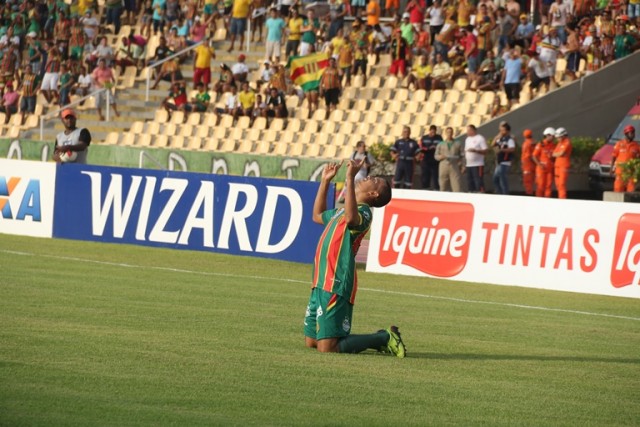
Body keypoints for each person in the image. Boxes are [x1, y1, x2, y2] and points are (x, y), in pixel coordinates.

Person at [303, 159, 405, 357]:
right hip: (321, 279)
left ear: (373, 194)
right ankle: (379, 338)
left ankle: (384, 338)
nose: (367, 177)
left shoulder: (364, 212)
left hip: (336, 280)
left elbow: (351, 219)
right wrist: (325, 182)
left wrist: (349, 177)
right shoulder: (342, 210)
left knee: (328, 347)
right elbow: (317, 215)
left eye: (373, 180)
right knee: (312, 341)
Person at [610, 125, 640, 193]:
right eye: (631, 133)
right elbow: (613, 156)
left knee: (631, 192)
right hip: (620, 173)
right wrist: (611, 168)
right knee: (618, 191)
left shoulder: (636, 146)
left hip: (631, 174)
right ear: (626, 134)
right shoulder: (619, 144)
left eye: (634, 132)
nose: (633, 135)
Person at [434, 127, 464, 192]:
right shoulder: (440, 144)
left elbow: (462, 155)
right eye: (448, 132)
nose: (449, 134)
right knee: (443, 186)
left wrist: (462, 165)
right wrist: (440, 157)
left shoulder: (458, 143)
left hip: (454, 166)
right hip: (443, 165)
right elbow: (436, 155)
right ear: (445, 133)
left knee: (457, 186)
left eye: (451, 132)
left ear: (453, 133)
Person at [491, 121, 516, 194]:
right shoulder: (500, 138)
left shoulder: (510, 139)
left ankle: (505, 194)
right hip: (499, 162)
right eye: (501, 130)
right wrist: (497, 137)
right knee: (495, 179)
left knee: (502, 180)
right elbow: (492, 144)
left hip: (505, 162)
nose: (502, 132)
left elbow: (512, 149)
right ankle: (499, 193)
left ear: (507, 131)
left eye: (503, 130)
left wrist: (502, 150)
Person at [464, 124, 488, 193]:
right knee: (470, 180)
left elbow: (485, 151)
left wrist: (476, 150)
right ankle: (471, 192)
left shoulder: (480, 138)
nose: (467, 132)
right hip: (469, 164)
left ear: (473, 130)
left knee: (478, 180)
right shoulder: (467, 139)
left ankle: (480, 192)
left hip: (478, 164)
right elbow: (465, 151)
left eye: (468, 130)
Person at [533, 127, 556, 198]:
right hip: (541, 169)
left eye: (553, 136)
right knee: (540, 186)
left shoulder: (553, 145)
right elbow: (534, 156)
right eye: (552, 136)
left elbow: (554, 157)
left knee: (548, 186)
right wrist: (539, 164)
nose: (553, 138)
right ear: (547, 135)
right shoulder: (540, 144)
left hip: (549, 169)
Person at [419, 125, 442, 190]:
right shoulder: (424, 138)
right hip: (426, 160)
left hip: (435, 161)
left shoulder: (439, 138)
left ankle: (436, 189)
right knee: (425, 177)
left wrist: (436, 148)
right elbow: (420, 147)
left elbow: (442, 147)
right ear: (429, 131)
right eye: (432, 132)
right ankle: (425, 189)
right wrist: (428, 148)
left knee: (435, 177)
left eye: (434, 132)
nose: (433, 134)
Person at [552, 127, 572, 199]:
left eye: (559, 137)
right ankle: (560, 198)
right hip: (557, 165)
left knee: (561, 184)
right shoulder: (560, 143)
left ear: (563, 135)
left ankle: (562, 199)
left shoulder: (567, 142)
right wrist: (558, 153)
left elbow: (560, 153)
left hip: (564, 166)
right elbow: (554, 154)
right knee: (557, 184)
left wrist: (558, 154)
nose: (557, 139)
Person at [520, 129, 535, 195]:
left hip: (527, 165)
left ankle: (529, 195)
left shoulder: (526, 144)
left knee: (527, 182)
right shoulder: (533, 142)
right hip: (532, 164)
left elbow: (528, 155)